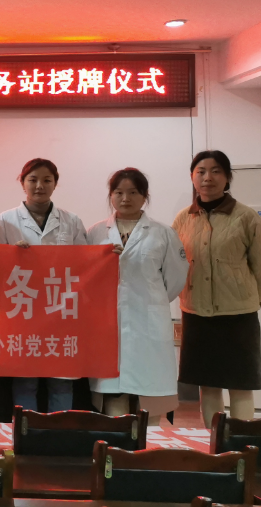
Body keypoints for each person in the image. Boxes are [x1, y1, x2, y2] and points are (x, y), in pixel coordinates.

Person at [173, 150, 261, 426]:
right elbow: (174, 262)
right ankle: (214, 441)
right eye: (201, 171)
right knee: (208, 384)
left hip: (238, 315)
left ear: (228, 177)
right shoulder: (183, 218)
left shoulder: (246, 216)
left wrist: (250, 297)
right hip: (196, 314)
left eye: (216, 171)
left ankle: (239, 443)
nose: (208, 177)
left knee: (240, 384)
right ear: (193, 177)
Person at [86, 168, 188, 417]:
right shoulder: (95, 232)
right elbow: (85, 275)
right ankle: (117, 439)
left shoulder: (163, 233)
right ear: (111, 195)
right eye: (119, 192)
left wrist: (152, 300)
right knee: (113, 394)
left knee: (150, 397)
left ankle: (149, 440)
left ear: (145, 196)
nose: (125, 198)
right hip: (108, 322)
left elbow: (175, 278)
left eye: (133, 192)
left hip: (148, 320)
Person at [0, 158, 86, 413]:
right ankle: (26, 431)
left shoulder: (71, 221)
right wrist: (12, 255)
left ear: (55, 183)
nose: (39, 186)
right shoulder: (5, 220)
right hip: (23, 309)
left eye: (47, 180)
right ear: (22, 183)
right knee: (25, 380)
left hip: (61, 309)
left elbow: (85, 264)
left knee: (62, 381)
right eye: (33, 180)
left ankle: (58, 431)